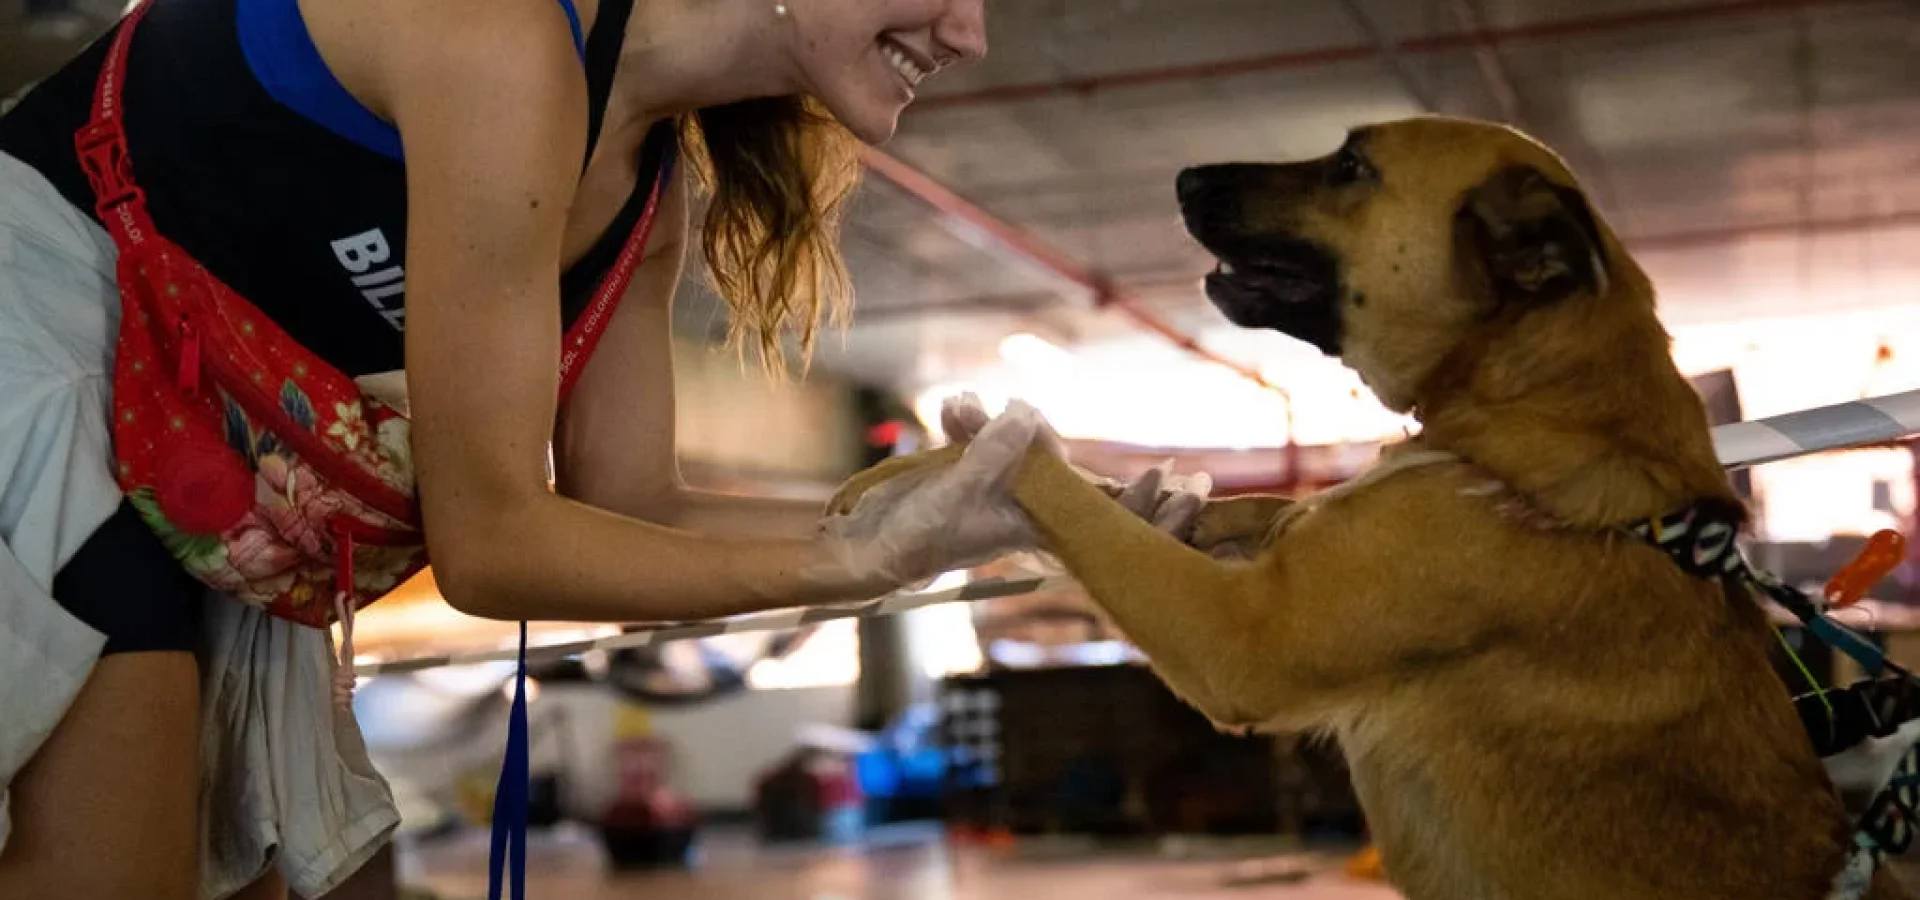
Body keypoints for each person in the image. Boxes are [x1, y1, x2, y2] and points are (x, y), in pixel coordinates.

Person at [0, 0, 1205, 896]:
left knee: (331, 876)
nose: (971, 30)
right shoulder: (502, 37)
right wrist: (851, 567)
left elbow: (638, 506)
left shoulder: (649, 185)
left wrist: (972, 515)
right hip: (37, 329)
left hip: (174, 438)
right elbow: (495, 547)